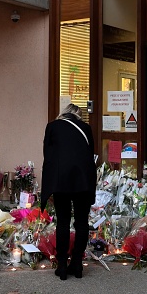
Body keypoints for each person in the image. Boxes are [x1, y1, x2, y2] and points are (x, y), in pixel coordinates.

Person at [40, 103, 97, 280]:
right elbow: (90, 153)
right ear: (78, 115)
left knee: (63, 221)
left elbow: (47, 154)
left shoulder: (52, 126)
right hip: (82, 181)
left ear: (63, 113)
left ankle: (62, 265)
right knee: (81, 221)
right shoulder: (86, 128)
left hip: (60, 180)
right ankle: (77, 264)